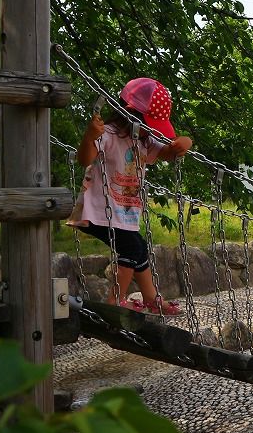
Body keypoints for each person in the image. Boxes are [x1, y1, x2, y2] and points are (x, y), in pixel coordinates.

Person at [69, 78, 193, 313]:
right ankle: (115, 301)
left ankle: (151, 298)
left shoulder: (144, 140)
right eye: (149, 124)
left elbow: (167, 152)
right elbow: (84, 159)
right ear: (130, 114)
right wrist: (89, 136)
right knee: (130, 250)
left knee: (139, 247)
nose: (151, 130)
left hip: (122, 212)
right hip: (97, 211)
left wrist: (182, 145)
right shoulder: (108, 134)